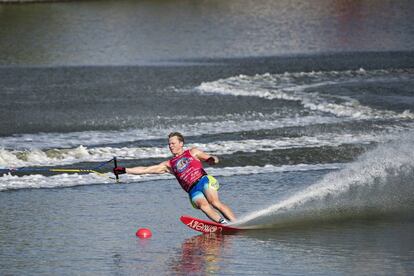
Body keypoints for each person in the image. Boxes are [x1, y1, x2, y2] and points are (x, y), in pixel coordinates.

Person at [113, 132, 236, 224]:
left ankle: (236, 223)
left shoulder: (192, 152)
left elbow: (212, 158)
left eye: (173, 143)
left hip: (203, 180)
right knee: (204, 206)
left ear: (181, 143)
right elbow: (146, 169)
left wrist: (212, 160)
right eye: (169, 144)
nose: (170, 146)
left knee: (214, 202)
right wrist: (125, 170)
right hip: (192, 189)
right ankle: (223, 224)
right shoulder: (169, 164)